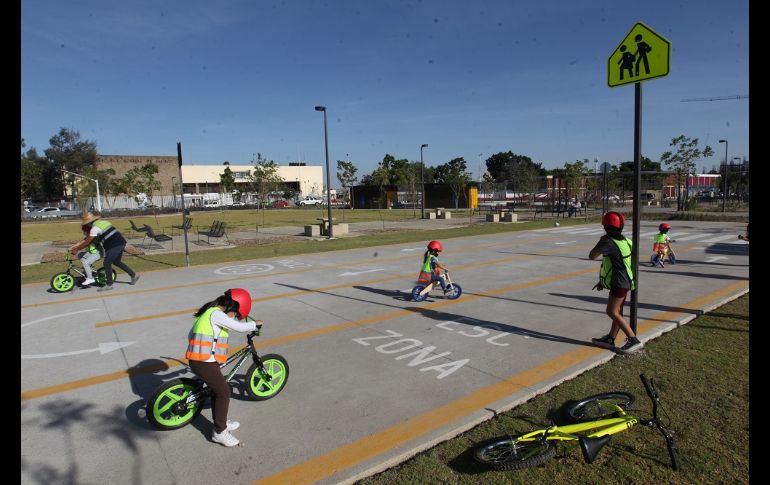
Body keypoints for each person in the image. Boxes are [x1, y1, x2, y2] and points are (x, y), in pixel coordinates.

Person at [186, 288, 262, 447]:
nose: (235, 317)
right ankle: (219, 432)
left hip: (203, 359)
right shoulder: (217, 314)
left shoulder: (209, 312)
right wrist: (255, 324)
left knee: (221, 388)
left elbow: (191, 335)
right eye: (236, 314)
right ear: (231, 306)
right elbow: (239, 327)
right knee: (224, 392)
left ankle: (221, 420)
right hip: (203, 362)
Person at [588, 211, 643, 354]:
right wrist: (602, 282)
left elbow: (592, 255)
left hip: (619, 282)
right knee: (618, 312)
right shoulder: (624, 240)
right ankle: (610, 338)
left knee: (611, 311)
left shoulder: (607, 241)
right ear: (621, 227)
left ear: (605, 227)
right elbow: (617, 262)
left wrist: (602, 240)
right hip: (625, 281)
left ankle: (633, 339)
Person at [76, 212, 139, 291]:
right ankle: (134, 275)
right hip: (120, 242)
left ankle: (109, 284)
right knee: (116, 262)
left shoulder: (95, 228)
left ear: (89, 223)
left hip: (114, 245)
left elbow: (87, 242)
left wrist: (76, 249)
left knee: (107, 263)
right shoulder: (104, 222)